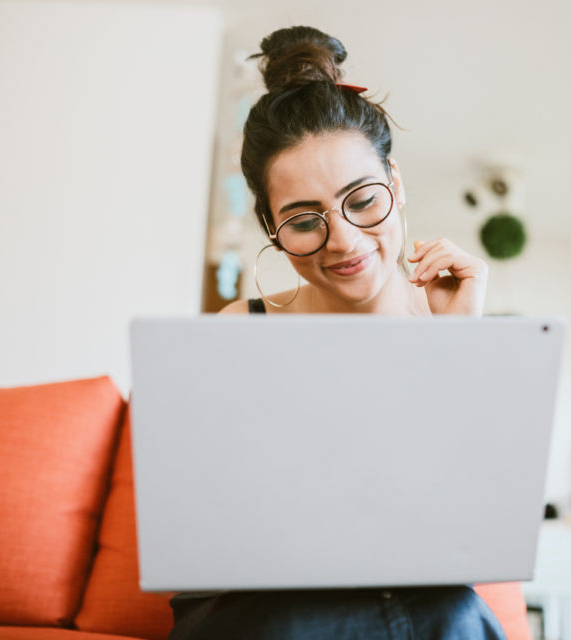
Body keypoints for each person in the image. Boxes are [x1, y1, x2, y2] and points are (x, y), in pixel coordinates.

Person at [167, 26, 507, 640]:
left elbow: (469, 538)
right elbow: (207, 529)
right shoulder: (243, 330)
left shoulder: (450, 322)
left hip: (415, 598)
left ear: (396, 184)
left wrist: (456, 347)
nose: (344, 240)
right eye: (303, 220)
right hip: (255, 605)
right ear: (271, 227)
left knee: (453, 611)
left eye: (362, 199)